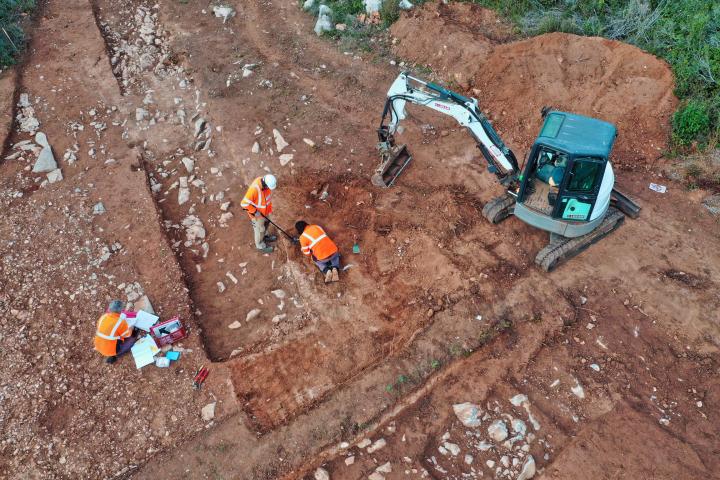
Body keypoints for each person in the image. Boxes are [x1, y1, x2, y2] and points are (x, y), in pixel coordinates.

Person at [240, 174, 278, 253]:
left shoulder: (265, 183)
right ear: (265, 184)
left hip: (265, 211)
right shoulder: (254, 189)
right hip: (257, 215)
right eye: (269, 187)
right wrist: (255, 211)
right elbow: (243, 204)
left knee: (266, 224)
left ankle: (265, 236)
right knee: (259, 230)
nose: (269, 189)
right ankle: (260, 246)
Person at [94, 300, 136, 364]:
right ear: (121, 311)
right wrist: (131, 328)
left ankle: (111, 353)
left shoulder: (103, 317)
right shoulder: (121, 322)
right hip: (110, 350)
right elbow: (127, 334)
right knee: (132, 340)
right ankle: (117, 354)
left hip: (98, 345)